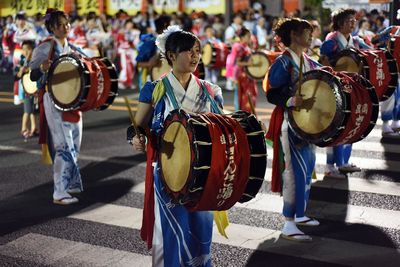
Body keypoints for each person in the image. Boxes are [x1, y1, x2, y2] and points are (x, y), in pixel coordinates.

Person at [130, 26, 223, 266]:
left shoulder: (210, 91)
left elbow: (223, 126)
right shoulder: (155, 89)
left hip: (204, 173)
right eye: (189, 52)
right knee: (174, 230)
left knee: (202, 230)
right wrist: (136, 137)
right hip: (169, 173)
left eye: (198, 51)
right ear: (171, 56)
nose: (195, 56)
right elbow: (137, 125)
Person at [266, 18, 320, 242]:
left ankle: (300, 213)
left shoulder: (307, 59)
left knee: (307, 170)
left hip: (307, 123)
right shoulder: (284, 62)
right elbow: (271, 93)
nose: (310, 36)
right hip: (291, 123)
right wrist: (289, 100)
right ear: (294, 36)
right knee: (293, 172)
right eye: (306, 32)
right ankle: (288, 222)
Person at [30, 9, 85, 205]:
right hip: (53, 100)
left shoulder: (71, 47)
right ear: (52, 27)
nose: (66, 27)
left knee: (75, 144)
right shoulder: (45, 48)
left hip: (72, 101)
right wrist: (41, 68)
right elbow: (32, 76)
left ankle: (69, 184)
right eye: (61, 24)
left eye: (67, 23)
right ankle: (59, 192)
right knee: (62, 147)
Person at [320, 9, 369, 178]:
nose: (353, 23)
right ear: (339, 23)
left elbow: (368, 51)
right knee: (336, 126)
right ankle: (330, 165)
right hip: (336, 88)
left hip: (351, 88)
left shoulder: (354, 40)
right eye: (349, 20)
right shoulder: (332, 40)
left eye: (354, 20)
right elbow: (324, 62)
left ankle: (343, 162)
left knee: (349, 123)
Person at [227, 27, 258, 112]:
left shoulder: (245, 47)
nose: (250, 37)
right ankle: (240, 114)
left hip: (247, 75)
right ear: (242, 37)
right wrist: (248, 64)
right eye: (248, 36)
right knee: (240, 96)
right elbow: (237, 62)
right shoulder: (239, 47)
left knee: (248, 95)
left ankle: (246, 113)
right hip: (241, 75)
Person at [15, 40, 38, 140]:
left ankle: (34, 128)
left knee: (34, 111)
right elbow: (18, 74)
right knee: (27, 110)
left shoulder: (36, 60)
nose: (25, 51)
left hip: (34, 89)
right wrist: (25, 64)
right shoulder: (22, 60)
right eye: (23, 49)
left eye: (28, 49)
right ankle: (24, 128)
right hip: (26, 89)